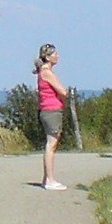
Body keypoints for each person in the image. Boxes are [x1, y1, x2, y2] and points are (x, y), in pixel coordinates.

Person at [35, 44, 73, 190]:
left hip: (48, 109)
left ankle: (47, 178)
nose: (57, 56)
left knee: (51, 144)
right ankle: (50, 180)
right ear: (47, 56)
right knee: (51, 145)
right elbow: (63, 91)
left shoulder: (43, 72)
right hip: (51, 110)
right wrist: (64, 94)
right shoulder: (47, 73)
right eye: (54, 54)